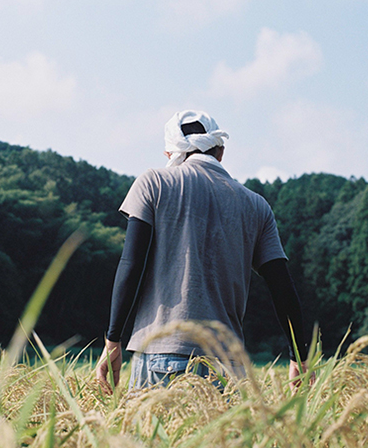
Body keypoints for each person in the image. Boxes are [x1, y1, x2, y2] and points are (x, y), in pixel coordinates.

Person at [96, 110, 310, 391]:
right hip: (228, 365)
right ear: (219, 151)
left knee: (152, 436)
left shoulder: (153, 184)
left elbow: (131, 264)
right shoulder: (257, 206)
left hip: (160, 354)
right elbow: (282, 285)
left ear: (170, 153)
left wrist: (113, 341)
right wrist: (300, 356)